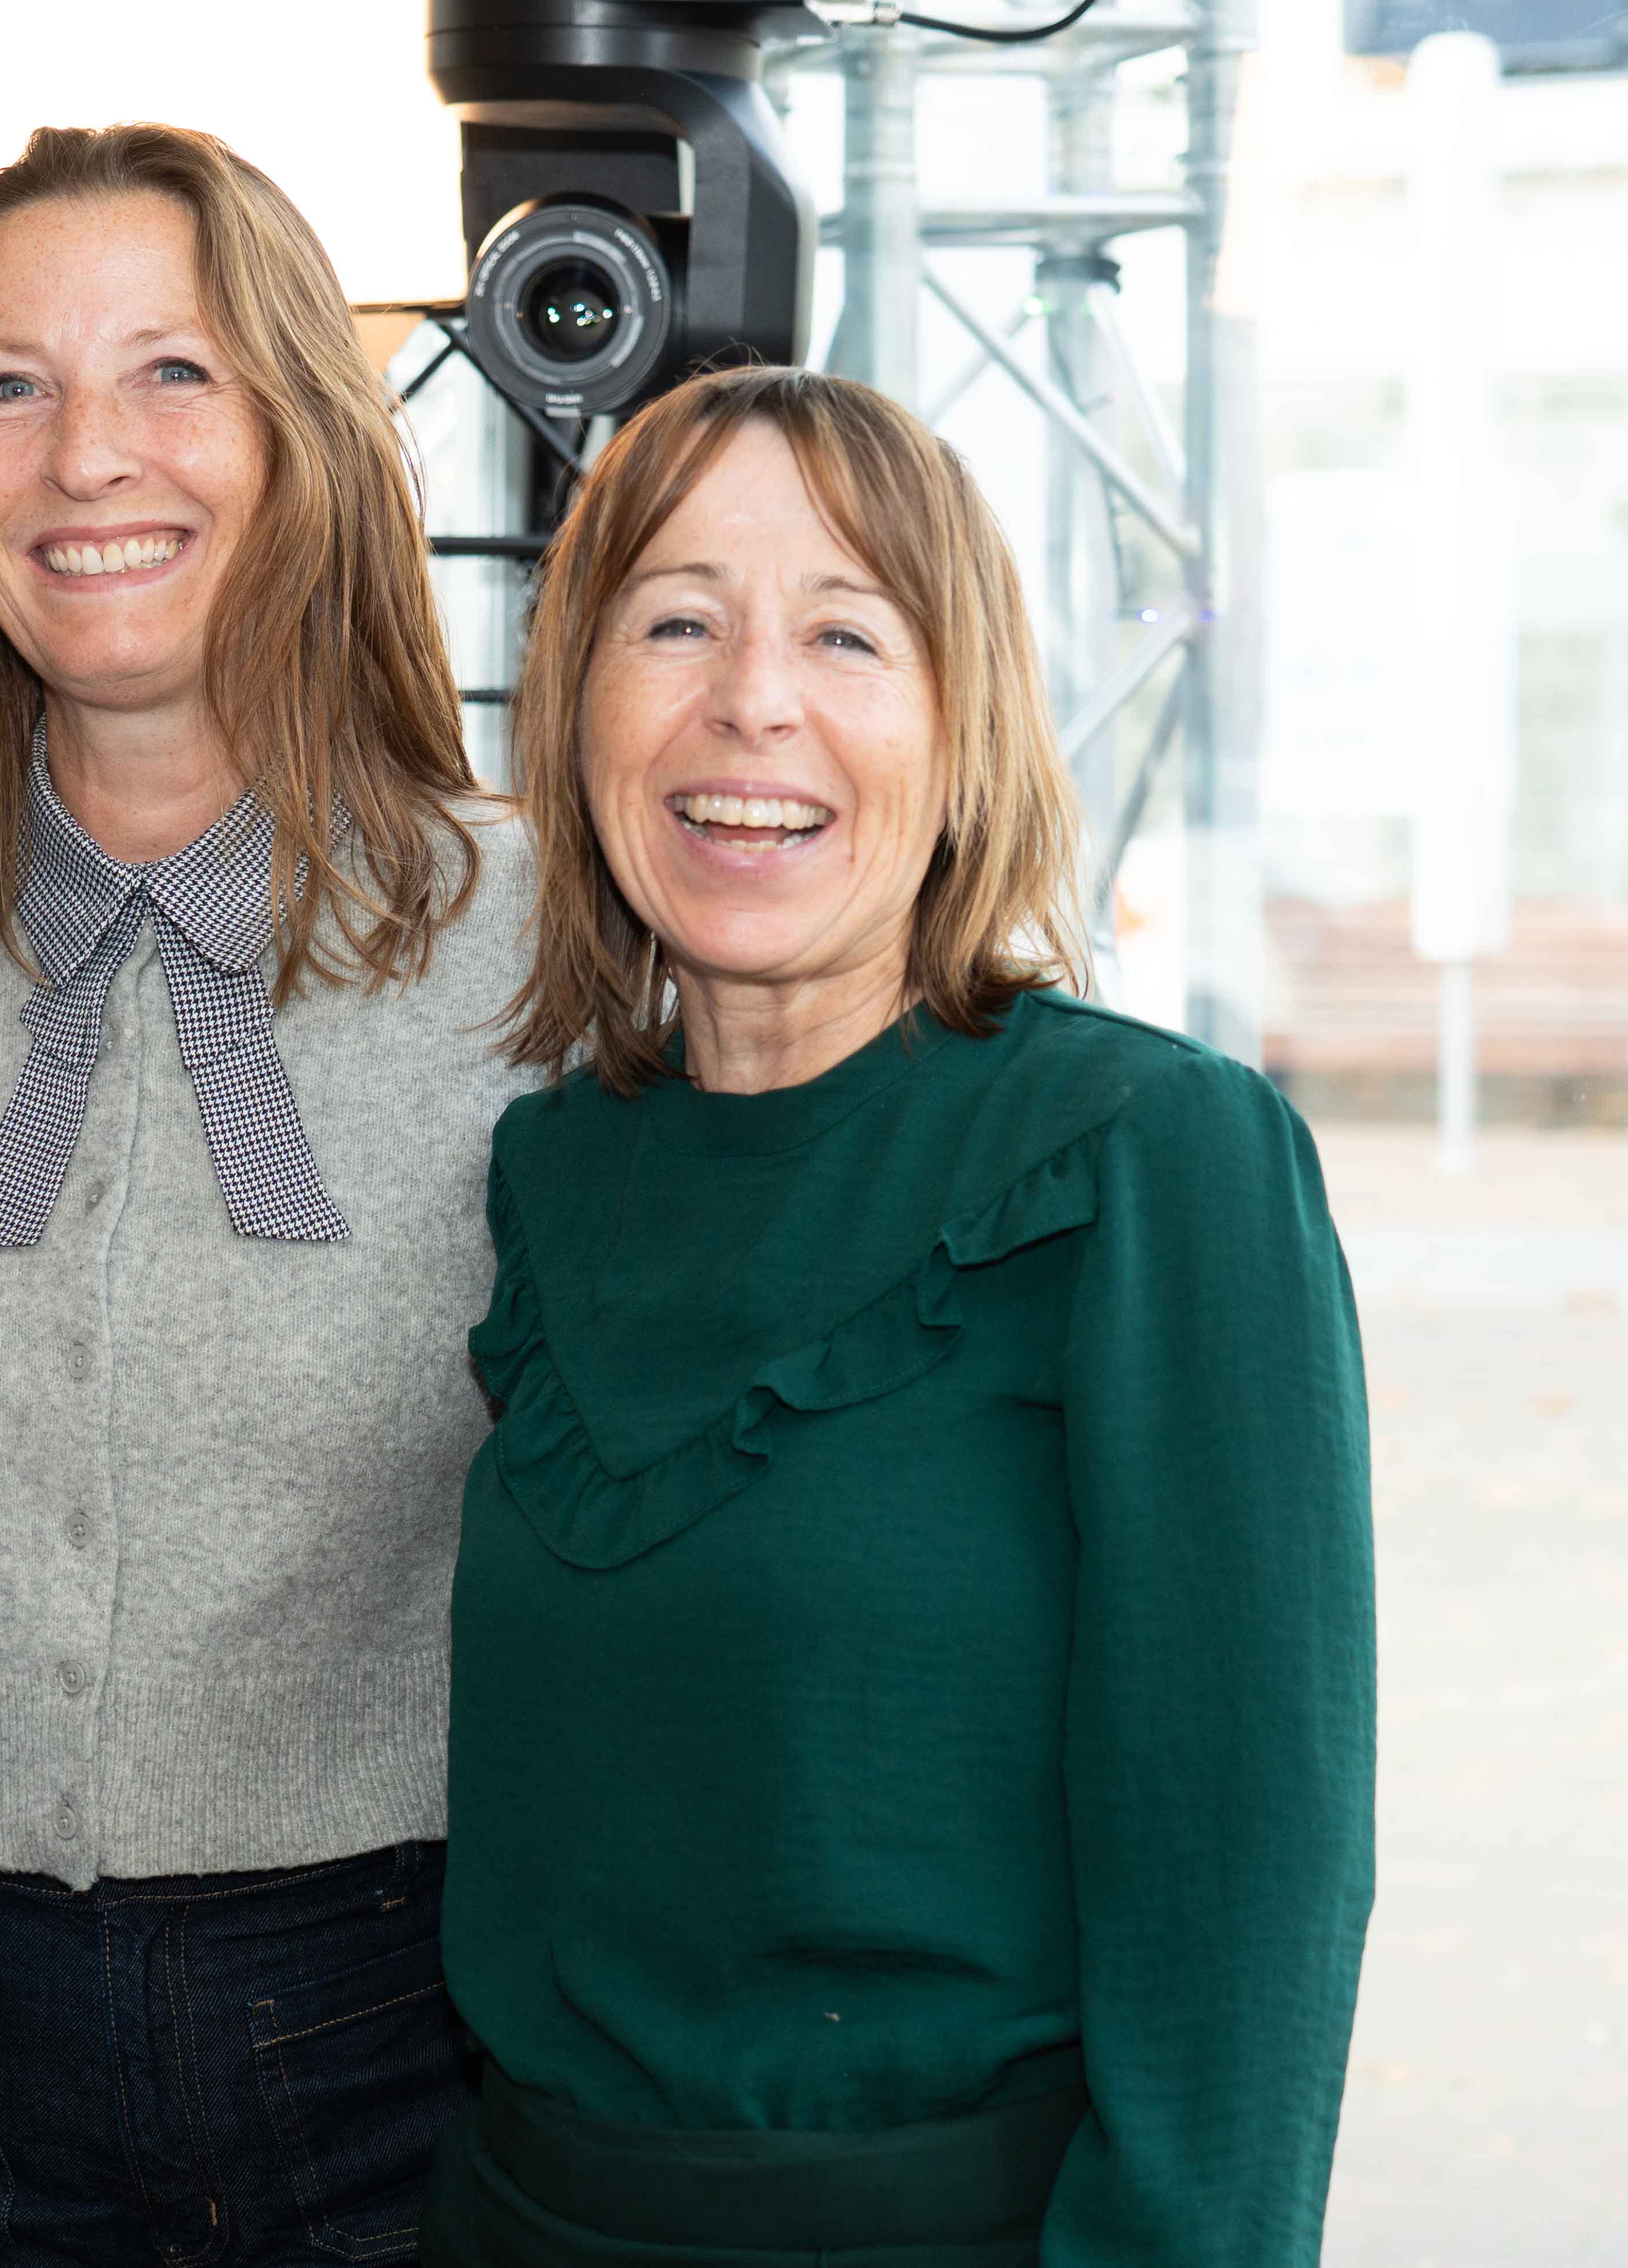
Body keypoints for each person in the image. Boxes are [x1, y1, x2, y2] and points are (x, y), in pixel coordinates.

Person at [432, 364, 1375, 2265]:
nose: (751, 700)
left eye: (846, 634)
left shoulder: (1153, 1161)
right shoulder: (552, 1171)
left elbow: (1246, 1899)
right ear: (583, 702)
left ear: (963, 728)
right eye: (676, 621)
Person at [0, 124, 532, 2266]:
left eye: (172, 373)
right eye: (11, 386)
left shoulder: (548, 943)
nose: (90, 455)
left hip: (418, 2006)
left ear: (303, 432)